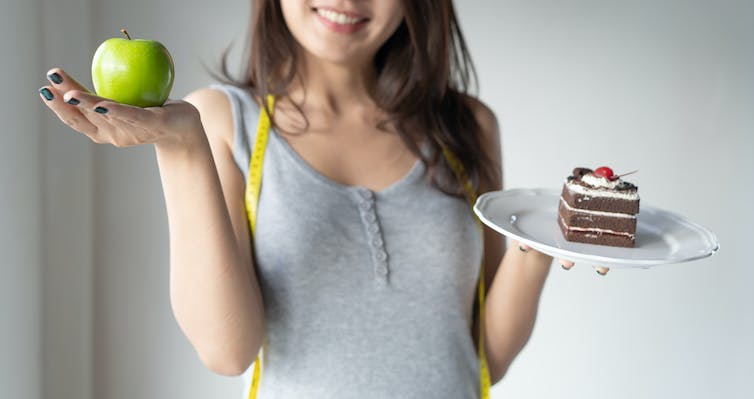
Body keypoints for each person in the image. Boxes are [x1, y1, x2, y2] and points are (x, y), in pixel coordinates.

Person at [38, 0, 608, 397]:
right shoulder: (222, 120)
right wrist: (181, 144)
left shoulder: (467, 127)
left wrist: (540, 244)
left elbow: (482, 356)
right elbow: (226, 351)